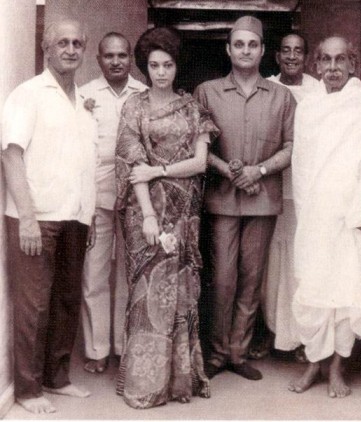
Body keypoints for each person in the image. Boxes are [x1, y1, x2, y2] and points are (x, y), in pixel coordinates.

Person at [114, 27, 217, 409]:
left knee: (182, 294)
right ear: (145, 67)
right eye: (154, 65)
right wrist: (148, 216)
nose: (161, 72)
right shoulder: (134, 108)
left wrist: (160, 172)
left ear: (177, 66)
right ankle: (144, 383)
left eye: (168, 65)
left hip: (185, 212)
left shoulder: (193, 108)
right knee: (146, 294)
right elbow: (133, 164)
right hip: (146, 213)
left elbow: (200, 162)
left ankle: (179, 381)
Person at [194, 16, 296, 381]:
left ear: (263, 50)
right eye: (239, 44)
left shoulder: (282, 96)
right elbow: (197, 147)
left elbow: (291, 146)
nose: (246, 50)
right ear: (228, 49)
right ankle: (218, 353)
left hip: (264, 198)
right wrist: (230, 170)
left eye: (252, 44)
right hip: (223, 199)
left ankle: (239, 352)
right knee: (222, 278)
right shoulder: (207, 92)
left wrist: (259, 171)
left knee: (252, 279)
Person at [2, 19, 96, 414]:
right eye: (62, 43)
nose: (71, 49)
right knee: (34, 305)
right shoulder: (29, 95)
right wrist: (26, 217)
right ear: (46, 48)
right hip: (36, 218)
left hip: (75, 217)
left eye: (77, 43)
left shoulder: (82, 101)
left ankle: (57, 378)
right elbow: (11, 154)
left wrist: (86, 214)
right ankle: (27, 389)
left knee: (67, 300)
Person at [289, 36, 361, 398]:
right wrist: (305, 212)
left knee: (348, 290)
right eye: (326, 60)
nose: (333, 68)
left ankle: (336, 368)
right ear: (316, 66)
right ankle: (313, 363)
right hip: (315, 212)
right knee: (315, 289)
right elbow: (300, 165)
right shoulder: (307, 108)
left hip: (352, 210)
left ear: (352, 64)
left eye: (340, 60)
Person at [80, 32, 147, 374]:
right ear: (99, 59)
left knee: (129, 274)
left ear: (131, 58)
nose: (117, 61)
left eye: (123, 55)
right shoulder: (84, 96)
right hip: (98, 193)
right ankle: (97, 350)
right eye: (110, 56)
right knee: (95, 272)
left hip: (138, 196)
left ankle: (124, 347)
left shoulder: (145, 94)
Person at [250, 32, 319, 361]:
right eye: (286, 50)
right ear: (275, 56)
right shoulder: (267, 87)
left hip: (308, 193)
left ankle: (303, 337)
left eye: (299, 51)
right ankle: (270, 330)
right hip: (271, 188)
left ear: (307, 57)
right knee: (269, 266)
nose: (292, 56)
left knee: (300, 265)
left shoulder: (320, 91)